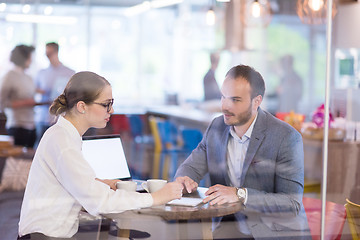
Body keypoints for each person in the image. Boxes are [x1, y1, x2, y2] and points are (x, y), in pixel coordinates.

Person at [18, 71, 183, 239]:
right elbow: (100, 201)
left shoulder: (62, 135)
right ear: (82, 106)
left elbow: (68, 179)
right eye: (106, 104)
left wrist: (100, 183)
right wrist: (156, 197)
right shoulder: (63, 142)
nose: (112, 110)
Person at [175, 65, 309, 239]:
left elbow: (291, 204)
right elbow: (192, 166)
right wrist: (184, 178)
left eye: (235, 100)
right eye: (223, 97)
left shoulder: (286, 137)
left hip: (273, 232)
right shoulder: (216, 127)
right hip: (229, 228)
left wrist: (240, 194)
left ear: (257, 101)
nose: (225, 107)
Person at [35, 42, 75, 141]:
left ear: (56, 52)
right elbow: (35, 90)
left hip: (62, 117)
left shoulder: (69, 72)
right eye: (46, 54)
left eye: (50, 53)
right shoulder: (42, 73)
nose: (48, 56)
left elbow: (74, 93)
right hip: (44, 117)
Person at [0, 45, 37, 148]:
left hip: (31, 125)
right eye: (30, 57)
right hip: (17, 126)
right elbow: (2, 103)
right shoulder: (9, 76)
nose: (31, 60)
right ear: (23, 58)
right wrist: (24, 103)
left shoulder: (28, 77)